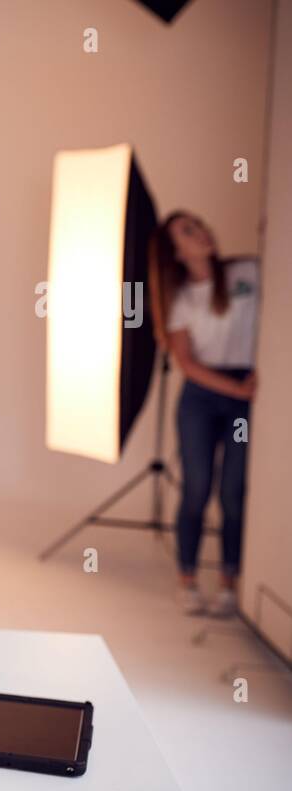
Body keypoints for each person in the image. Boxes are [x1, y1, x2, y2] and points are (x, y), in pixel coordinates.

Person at [148, 211, 259, 617]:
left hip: (242, 405)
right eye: (188, 232)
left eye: (198, 224)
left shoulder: (248, 273)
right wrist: (236, 389)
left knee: (234, 491)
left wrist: (244, 391)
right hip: (201, 399)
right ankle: (188, 578)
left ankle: (230, 580)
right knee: (197, 487)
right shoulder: (180, 299)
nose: (201, 233)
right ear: (175, 252)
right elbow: (187, 364)